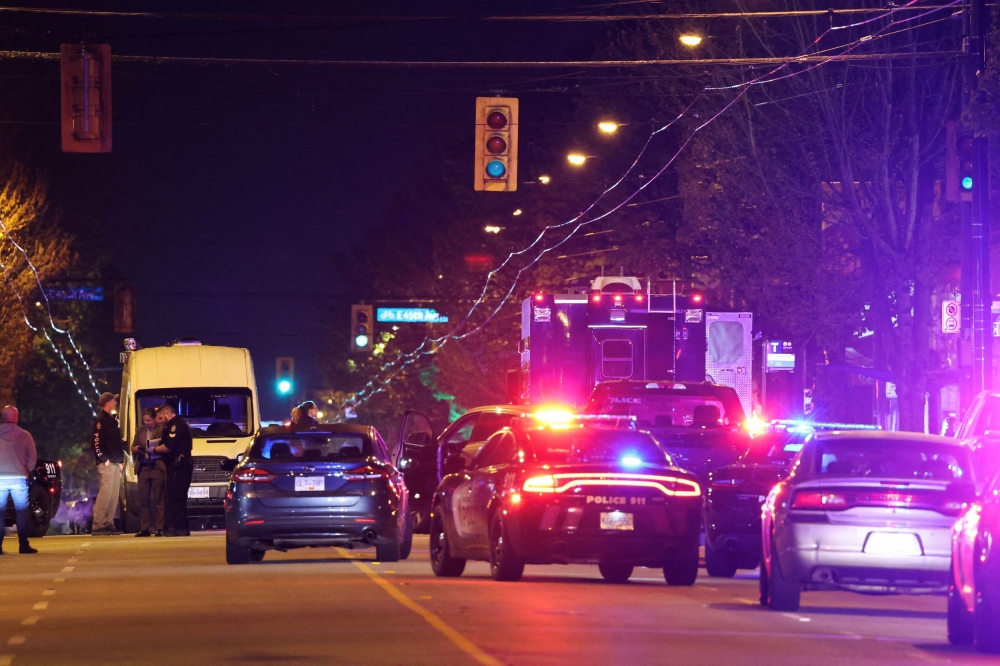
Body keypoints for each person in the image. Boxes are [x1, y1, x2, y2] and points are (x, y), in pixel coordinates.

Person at [0, 405, 38, 554]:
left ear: (3, 417)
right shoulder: (25, 435)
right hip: (18, 478)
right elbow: (32, 459)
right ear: (16, 417)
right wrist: (25, 470)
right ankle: (23, 545)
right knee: (21, 511)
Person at [154, 403, 193, 537]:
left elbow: (168, 447)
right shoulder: (178, 424)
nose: (158, 421)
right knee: (179, 498)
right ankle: (182, 527)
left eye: (160, 417)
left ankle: (177, 527)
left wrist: (153, 449)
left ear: (167, 414)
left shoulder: (175, 425)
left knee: (175, 498)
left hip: (178, 466)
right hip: (180, 465)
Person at [91, 392, 125, 535]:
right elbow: (96, 443)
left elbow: (115, 443)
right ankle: (98, 524)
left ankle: (108, 522)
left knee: (114, 494)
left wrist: (121, 460)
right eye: (113, 401)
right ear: (107, 403)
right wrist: (103, 458)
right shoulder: (101, 420)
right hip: (108, 463)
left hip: (115, 462)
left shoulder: (111, 420)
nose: (115, 403)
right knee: (105, 494)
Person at [131, 407, 164, 537]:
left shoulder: (161, 430)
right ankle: (145, 527)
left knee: (158, 499)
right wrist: (136, 449)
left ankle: (160, 527)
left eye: (149, 420)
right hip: (143, 467)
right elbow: (132, 446)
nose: (146, 423)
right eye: (144, 420)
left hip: (156, 466)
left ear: (154, 419)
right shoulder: (140, 430)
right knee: (143, 499)